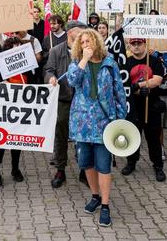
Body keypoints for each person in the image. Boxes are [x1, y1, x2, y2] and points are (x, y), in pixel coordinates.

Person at [66, 28, 127, 228]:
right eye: (82, 43)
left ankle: (105, 205)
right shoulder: (76, 64)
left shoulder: (109, 65)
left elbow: (119, 92)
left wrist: (120, 119)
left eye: (88, 41)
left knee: (103, 165)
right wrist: (83, 60)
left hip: (104, 123)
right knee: (86, 163)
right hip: (83, 124)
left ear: (97, 43)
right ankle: (94, 195)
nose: (85, 45)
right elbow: (72, 81)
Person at [120, 38, 166, 182]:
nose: (136, 46)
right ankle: (131, 162)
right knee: (133, 136)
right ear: (130, 46)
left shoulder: (154, 61)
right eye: (133, 44)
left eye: (139, 43)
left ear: (145, 44)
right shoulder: (126, 63)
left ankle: (158, 166)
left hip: (151, 105)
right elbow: (124, 85)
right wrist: (137, 90)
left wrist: (139, 86)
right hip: (133, 107)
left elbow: (157, 80)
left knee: (153, 137)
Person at [0, 36, 31, 186]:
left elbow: (33, 78)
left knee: (17, 138)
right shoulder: (0, 62)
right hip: (4, 106)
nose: (17, 48)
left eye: (19, 45)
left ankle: (15, 168)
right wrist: (3, 82)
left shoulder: (26, 63)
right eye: (14, 46)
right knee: (2, 137)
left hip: (20, 106)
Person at [45, 20, 83, 188]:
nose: (83, 35)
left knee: (83, 136)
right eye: (80, 31)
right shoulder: (55, 51)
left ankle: (85, 169)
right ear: (70, 33)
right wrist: (51, 78)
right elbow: (49, 71)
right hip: (63, 100)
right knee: (60, 135)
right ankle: (60, 169)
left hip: (82, 101)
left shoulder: (85, 51)